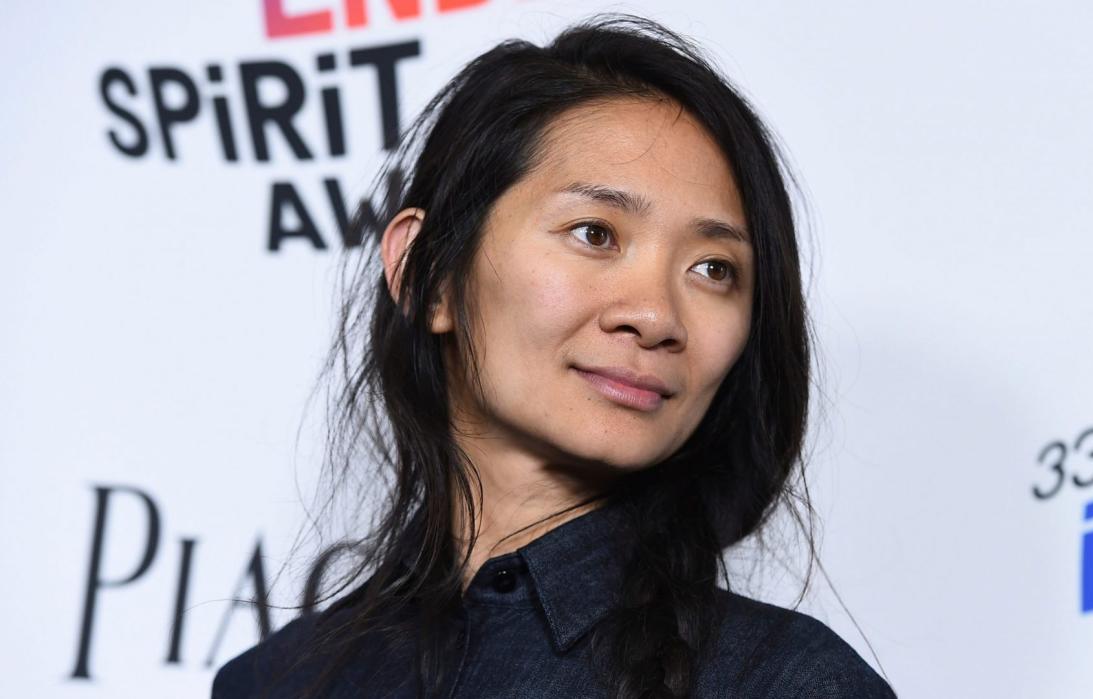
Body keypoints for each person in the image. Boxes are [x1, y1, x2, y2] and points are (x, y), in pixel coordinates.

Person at [213, 13, 897, 699]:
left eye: (714, 269)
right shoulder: (272, 683)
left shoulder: (790, 682)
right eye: (595, 233)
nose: (656, 315)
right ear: (427, 274)